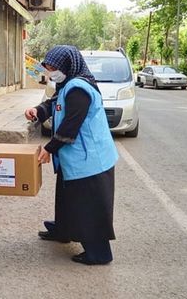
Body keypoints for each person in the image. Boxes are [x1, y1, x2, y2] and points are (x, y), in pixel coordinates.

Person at [24, 45, 118, 265]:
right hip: (75, 157)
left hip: (90, 159)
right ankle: (63, 230)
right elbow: (54, 103)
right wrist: (38, 111)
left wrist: (49, 149)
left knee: (89, 204)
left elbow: (70, 125)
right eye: (48, 67)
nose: (51, 71)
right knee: (67, 197)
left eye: (54, 67)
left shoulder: (78, 88)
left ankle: (99, 252)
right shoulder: (67, 84)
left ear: (68, 65)